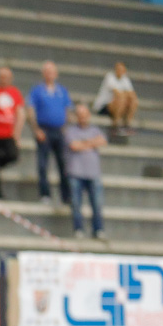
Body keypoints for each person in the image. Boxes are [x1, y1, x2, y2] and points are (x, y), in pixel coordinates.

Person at [29, 60, 71, 206]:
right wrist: (36, 129)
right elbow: (30, 109)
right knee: (43, 164)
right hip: (44, 130)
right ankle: (45, 194)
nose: (49, 74)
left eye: (52, 72)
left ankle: (66, 196)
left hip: (59, 130)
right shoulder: (37, 91)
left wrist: (65, 127)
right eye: (47, 72)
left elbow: (67, 109)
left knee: (63, 164)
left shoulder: (62, 91)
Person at [63, 102, 105, 239]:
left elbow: (102, 141)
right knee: (76, 204)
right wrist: (91, 143)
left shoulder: (95, 130)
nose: (83, 118)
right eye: (80, 115)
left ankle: (98, 229)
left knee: (97, 204)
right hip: (76, 173)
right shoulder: (70, 131)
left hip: (93, 173)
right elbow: (74, 146)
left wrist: (83, 143)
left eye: (85, 115)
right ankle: (78, 229)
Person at [94, 61, 136, 136]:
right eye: (118, 69)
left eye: (121, 69)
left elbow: (132, 95)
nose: (119, 71)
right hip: (104, 107)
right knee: (121, 99)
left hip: (118, 106)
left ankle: (127, 124)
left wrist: (128, 97)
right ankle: (115, 125)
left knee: (133, 101)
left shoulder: (125, 79)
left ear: (124, 71)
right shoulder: (109, 77)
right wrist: (126, 94)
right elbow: (117, 93)